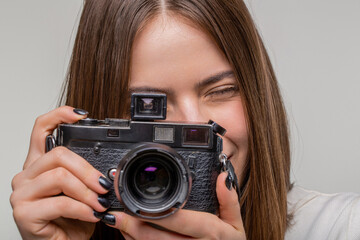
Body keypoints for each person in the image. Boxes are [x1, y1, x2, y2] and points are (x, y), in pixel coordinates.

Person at [9, 0, 360, 239]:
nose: (195, 128)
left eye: (222, 90)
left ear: (257, 93)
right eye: (147, 106)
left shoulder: (342, 228)